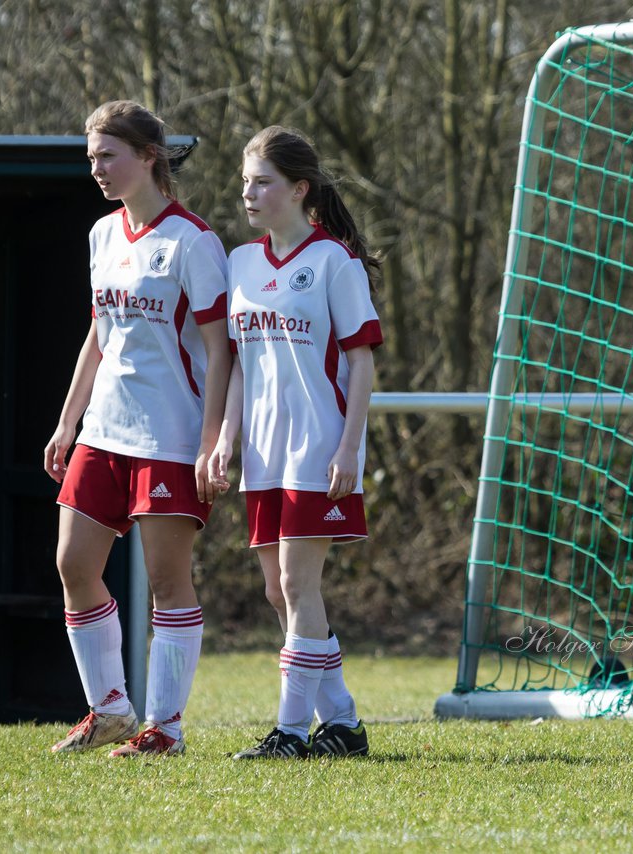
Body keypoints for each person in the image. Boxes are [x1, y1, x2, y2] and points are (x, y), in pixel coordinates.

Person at [44, 100, 230, 756]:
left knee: (167, 581)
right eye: (91, 158)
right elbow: (100, 336)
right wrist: (68, 423)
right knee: (73, 562)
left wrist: (212, 440)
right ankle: (112, 710)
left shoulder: (193, 241)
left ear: (148, 156)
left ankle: (166, 730)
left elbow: (219, 349)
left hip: (170, 437)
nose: (97, 169)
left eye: (108, 156)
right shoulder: (101, 235)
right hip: (103, 430)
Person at [210, 126, 383, 758]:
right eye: (245, 182)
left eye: (263, 182)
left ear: (299, 189)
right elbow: (239, 365)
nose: (249, 193)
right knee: (276, 590)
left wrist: (348, 447)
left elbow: (362, 361)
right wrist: (227, 438)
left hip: (318, 445)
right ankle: (343, 722)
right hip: (263, 452)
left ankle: (288, 733)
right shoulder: (241, 262)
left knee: (296, 582)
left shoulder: (333, 260)